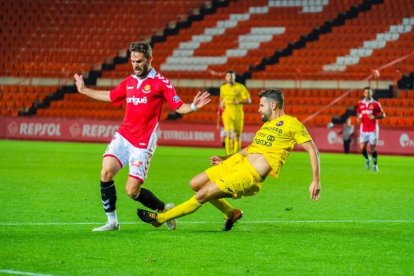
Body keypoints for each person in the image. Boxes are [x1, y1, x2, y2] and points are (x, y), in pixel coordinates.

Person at [137, 88, 321, 231]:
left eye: (261, 105)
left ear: (273, 106)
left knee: (202, 194)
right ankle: (231, 213)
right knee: (195, 183)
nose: (258, 109)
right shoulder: (266, 126)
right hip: (237, 164)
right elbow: (250, 149)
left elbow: (312, 149)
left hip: (249, 175)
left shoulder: (292, 124)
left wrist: (315, 180)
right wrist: (226, 158)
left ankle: (161, 219)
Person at [73, 41, 211, 231]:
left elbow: (179, 107)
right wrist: (84, 90)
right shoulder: (129, 82)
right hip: (123, 136)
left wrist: (194, 106)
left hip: (143, 142)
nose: (135, 65)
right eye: (132, 61)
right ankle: (112, 221)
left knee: (131, 191)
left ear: (149, 59)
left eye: (139, 61)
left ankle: (164, 209)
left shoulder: (161, 83)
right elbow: (111, 96)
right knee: (105, 172)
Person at [219, 70, 251, 155]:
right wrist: (221, 106)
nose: (230, 78)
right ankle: (228, 155)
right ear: (226, 78)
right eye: (228, 76)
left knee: (237, 135)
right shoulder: (223, 88)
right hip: (227, 113)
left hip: (238, 114)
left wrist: (239, 101)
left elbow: (249, 100)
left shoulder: (240, 87)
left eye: (232, 76)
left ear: (235, 77)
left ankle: (236, 155)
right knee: (229, 133)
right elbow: (222, 100)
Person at [356, 87, 386, 172]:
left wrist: (375, 117)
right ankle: (367, 159)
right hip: (364, 128)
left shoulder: (376, 104)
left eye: (369, 92)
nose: (367, 94)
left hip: (373, 129)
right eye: (366, 92)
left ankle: (375, 165)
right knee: (362, 148)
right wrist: (358, 118)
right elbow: (358, 113)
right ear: (363, 93)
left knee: (373, 147)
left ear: (371, 93)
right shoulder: (360, 103)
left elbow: (383, 115)